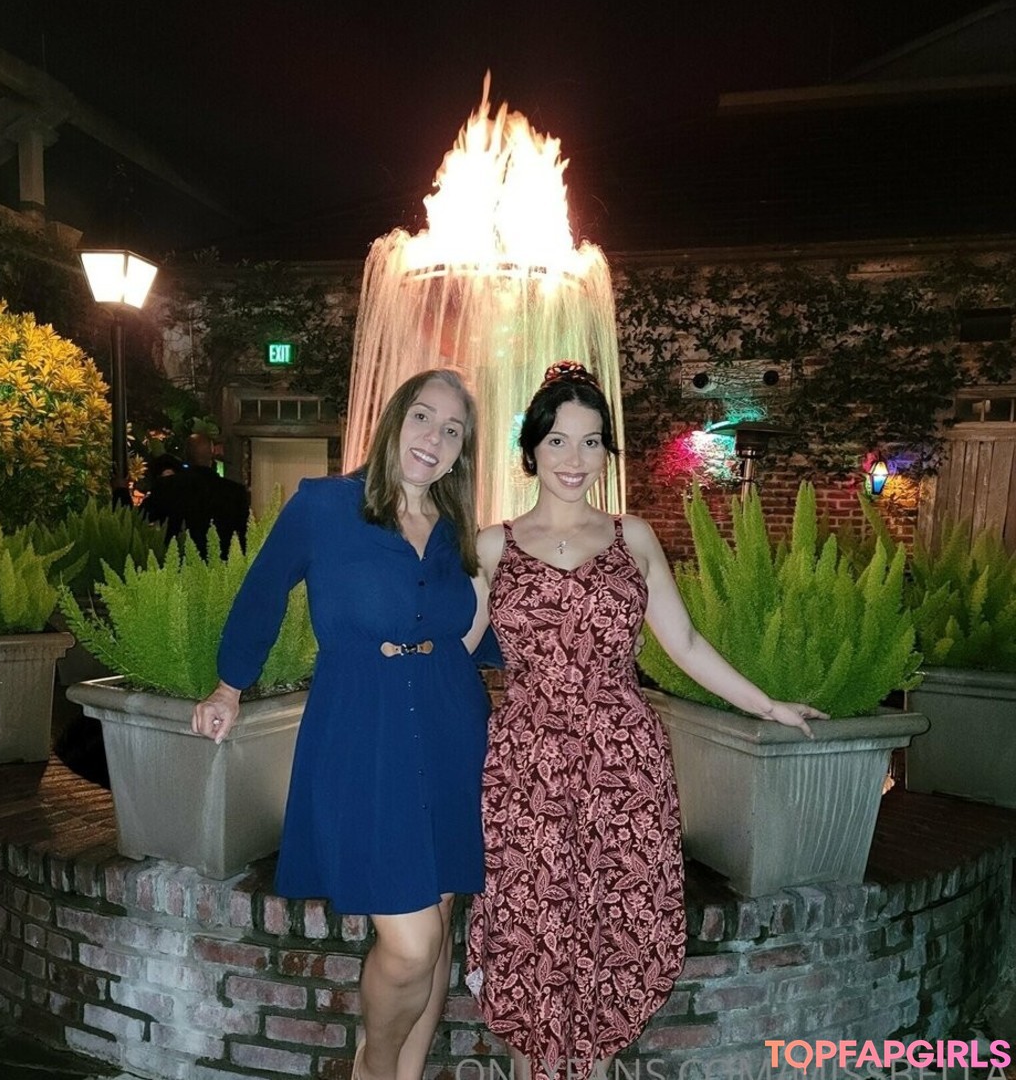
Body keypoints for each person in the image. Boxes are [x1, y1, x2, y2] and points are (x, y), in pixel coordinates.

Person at [463, 361, 826, 1080]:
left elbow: (684, 643)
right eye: (559, 441)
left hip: (622, 762)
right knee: (527, 928)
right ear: (531, 449)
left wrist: (767, 705)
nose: (575, 459)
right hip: (525, 766)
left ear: (607, 451)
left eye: (592, 442)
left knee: (614, 926)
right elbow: (451, 653)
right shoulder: (489, 546)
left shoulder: (633, 538)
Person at [191, 370, 490, 1080]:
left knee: (440, 920)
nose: (434, 438)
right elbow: (263, 591)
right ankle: (372, 1069)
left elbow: (476, 632)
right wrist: (230, 686)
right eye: (423, 417)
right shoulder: (324, 506)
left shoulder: (457, 532)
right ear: (394, 419)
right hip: (361, 728)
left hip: (451, 724)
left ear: (462, 451)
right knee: (412, 943)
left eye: (452, 430)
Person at [141, 432, 250, 558]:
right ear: (212, 454)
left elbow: (139, 518)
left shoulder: (167, 486)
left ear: (185, 455)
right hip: (223, 564)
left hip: (178, 561)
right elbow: (244, 536)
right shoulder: (234, 492)